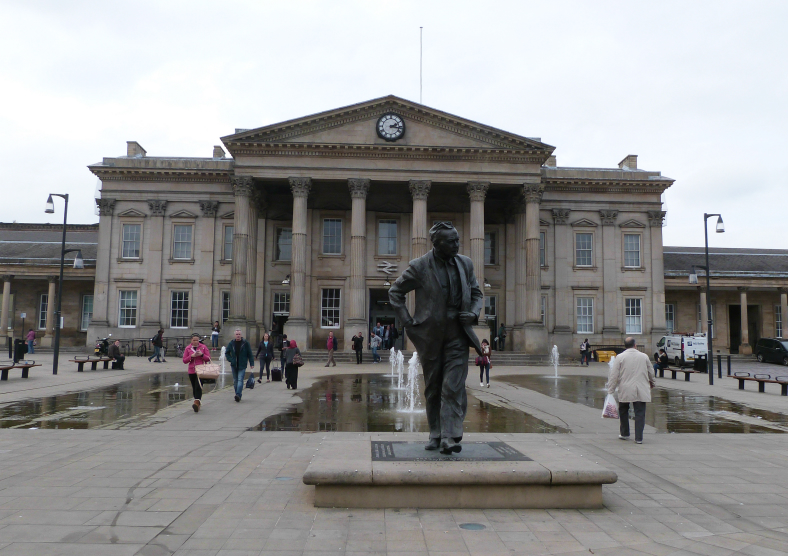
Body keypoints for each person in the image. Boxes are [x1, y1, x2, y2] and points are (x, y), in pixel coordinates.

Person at [389, 221, 483, 455]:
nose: (457, 245)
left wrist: (472, 313)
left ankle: (450, 437)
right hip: (430, 335)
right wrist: (408, 323)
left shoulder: (466, 264)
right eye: (451, 241)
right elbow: (395, 292)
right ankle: (436, 433)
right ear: (437, 243)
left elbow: (477, 294)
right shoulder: (420, 266)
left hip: (458, 335)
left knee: (452, 385)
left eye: (457, 240)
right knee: (433, 387)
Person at [607, 337, 655, 444]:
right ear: (635, 345)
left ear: (625, 345)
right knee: (640, 413)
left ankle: (625, 433)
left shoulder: (620, 357)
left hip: (625, 387)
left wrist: (611, 390)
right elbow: (651, 371)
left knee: (623, 410)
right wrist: (653, 382)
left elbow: (614, 375)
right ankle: (639, 438)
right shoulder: (644, 356)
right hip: (641, 388)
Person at [183, 332, 211, 412]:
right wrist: (191, 356)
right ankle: (197, 402)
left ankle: (196, 402)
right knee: (194, 388)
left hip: (201, 370)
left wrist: (202, 355)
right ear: (191, 340)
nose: (195, 342)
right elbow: (184, 360)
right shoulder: (188, 348)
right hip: (191, 370)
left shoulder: (203, 347)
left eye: (197, 340)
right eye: (194, 340)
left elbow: (208, 358)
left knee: (198, 386)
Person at [225, 328, 254, 402]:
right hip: (234, 364)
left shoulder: (245, 343)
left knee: (240, 379)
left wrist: (252, 363)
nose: (238, 336)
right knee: (235, 381)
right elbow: (227, 353)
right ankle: (237, 394)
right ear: (235, 335)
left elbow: (250, 354)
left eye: (239, 334)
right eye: (237, 334)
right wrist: (231, 359)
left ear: (241, 335)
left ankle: (238, 394)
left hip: (242, 364)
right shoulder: (231, 343)